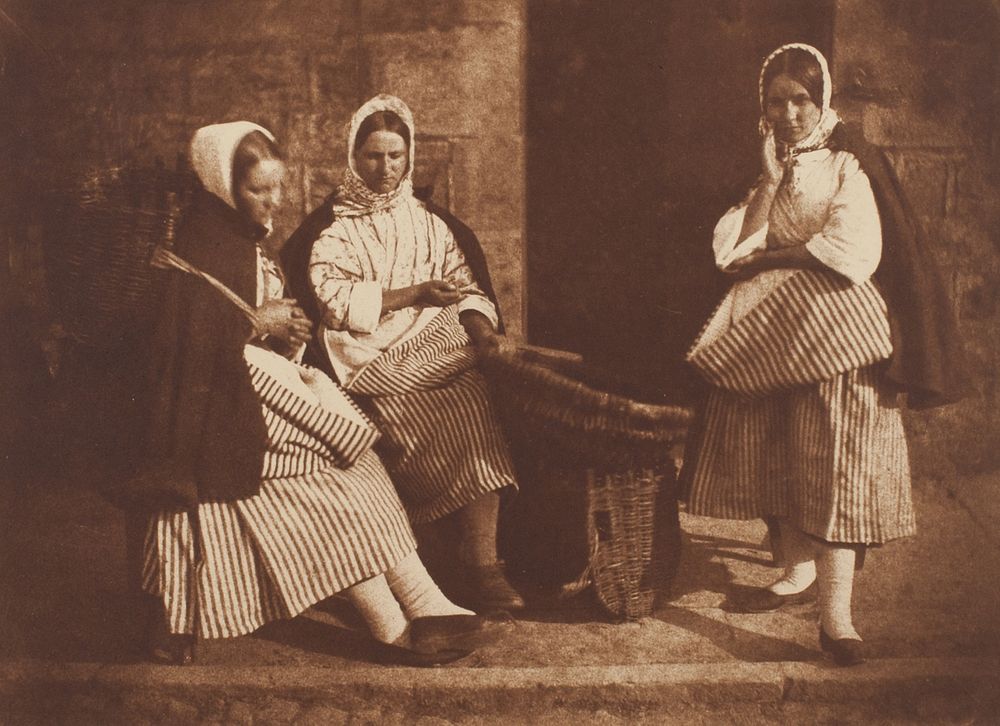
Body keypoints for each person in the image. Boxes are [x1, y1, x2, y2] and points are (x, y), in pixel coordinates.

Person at [136, 121, 495, 665]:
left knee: (362, 470)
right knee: (338, 485)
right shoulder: (201, 245)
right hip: (214, 412)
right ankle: (395, 626)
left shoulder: (234, 237)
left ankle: (429, 609)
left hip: (250, 388)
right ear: (222, 185)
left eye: (277, 187)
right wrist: (261, 323)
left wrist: (278, 331)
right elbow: (184, 349)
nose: (274, 200)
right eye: (259, 190)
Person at [682, 44, 969, 666]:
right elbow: (732, 253)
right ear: (762, 109)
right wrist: (769, 178)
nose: (788, 114)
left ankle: (837, 619)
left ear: (822, 101)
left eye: (800, 101)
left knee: (836, 463)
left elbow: (852, 247)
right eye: (775, 102)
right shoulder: (769, 166)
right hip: (768, 330)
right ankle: (794, 572)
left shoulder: (849, 161)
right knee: (776, 450)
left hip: (837, 328)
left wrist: (777, 256)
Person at [282, 95, 524, 612]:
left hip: (435, 348)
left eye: (395, 156)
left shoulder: (431, 223)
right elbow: (337, 301)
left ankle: (482, 561)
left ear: (409, 156)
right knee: (421, 412)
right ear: (353, 155)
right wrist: (412, 294)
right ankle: (441, 558)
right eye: (373, 156)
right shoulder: (334, 228)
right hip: (369, 359)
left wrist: (481, 334)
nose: (385, 168)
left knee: (480, 398)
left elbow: (467, 286)